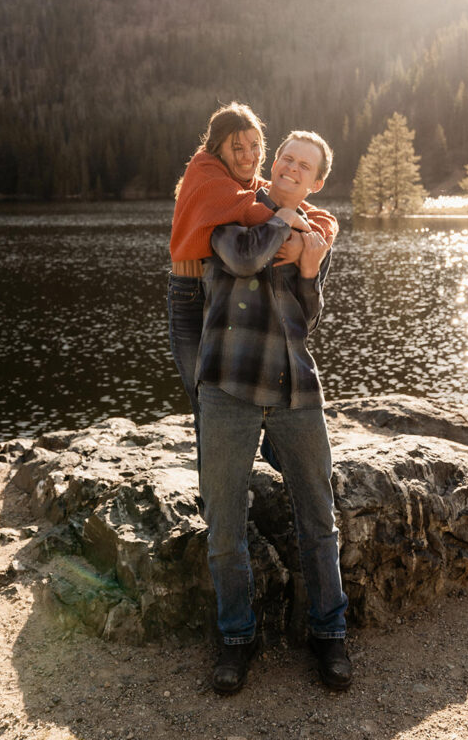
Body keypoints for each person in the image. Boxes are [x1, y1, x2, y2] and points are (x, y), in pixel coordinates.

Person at [196, 130, 351, 695]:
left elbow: (306, 319)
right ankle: (237, 637)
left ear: (317, 180)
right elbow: (240, 257)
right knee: (224, 524)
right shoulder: (235, 204)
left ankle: (328, 633)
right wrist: (286, 219)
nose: (290, 166)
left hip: (294, 386)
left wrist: (310, 269)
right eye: (285, 156)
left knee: (319, 515)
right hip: (229, 385)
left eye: (304, 165)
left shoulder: (313, 231)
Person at [167, 103, 338, 461]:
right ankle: (215, 500)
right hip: (190, 298)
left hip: (216, 295)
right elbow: (254, 210)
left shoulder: (247, 182)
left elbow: (321, 215)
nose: (248, 156)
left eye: (255, 146)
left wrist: (315, 234)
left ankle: (273, 442)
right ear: (218, 148)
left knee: (250, 377)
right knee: (206, 405)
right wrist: (287, 221)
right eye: (237, 148)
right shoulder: (208, 173)